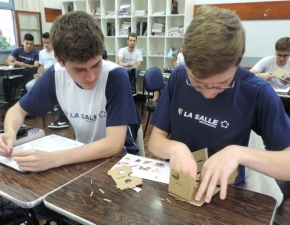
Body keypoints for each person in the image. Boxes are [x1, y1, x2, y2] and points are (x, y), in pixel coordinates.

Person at [0, 10, 139, 222]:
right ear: (60, 60)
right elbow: (16, 111)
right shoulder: (55, 75)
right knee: (26, 204)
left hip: (116, 162)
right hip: (78, 159)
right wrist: (10, 132)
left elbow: (113, 144)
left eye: (96, 64)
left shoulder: (115, 76)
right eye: (80, 69)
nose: (91, 76)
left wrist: (53, 159)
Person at [148, 5, 290, 207]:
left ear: (240, 56)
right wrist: (174, 148)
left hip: (226, 194)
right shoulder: (178, 78)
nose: (208, 92)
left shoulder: (256, 92)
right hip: (178, 185)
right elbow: (155, 141)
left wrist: (237, 153)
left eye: (222, 84)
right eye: (197, 83)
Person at [250, 37, 290, 115]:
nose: (281, 58)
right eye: (279, 55)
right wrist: (261, 75)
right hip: (269, 94)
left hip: (287, 97)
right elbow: (248, 74)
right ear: (275, 51)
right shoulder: (267, 61)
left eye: (285, 56)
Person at [4, 33, 39, 102]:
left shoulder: (36, 53)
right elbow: (7, 61)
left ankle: (24, 97)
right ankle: (8, 102)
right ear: (23, 42)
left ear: (33, 44)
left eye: (31, 44)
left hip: (29, 76)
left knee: (34, 70)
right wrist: (13, 64)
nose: (29, 46)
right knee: (6, 82)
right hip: (19, 75)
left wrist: (24, 65)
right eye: (27, 43)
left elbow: (36, 66)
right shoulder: (17, 50)